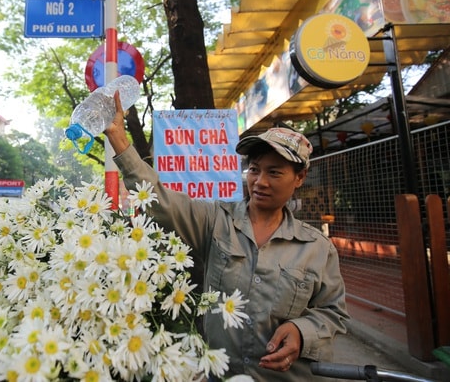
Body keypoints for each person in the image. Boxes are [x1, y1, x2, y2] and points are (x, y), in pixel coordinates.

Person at [104, 93, 349, 381]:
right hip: (219, 373)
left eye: (275, 172)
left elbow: (332, 312)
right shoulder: (216, 220)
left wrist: (301, 331)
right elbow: (162, 201)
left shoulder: (317, 248)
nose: (260, 182)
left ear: (300, 177)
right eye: (254, 170)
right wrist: (119, 140)